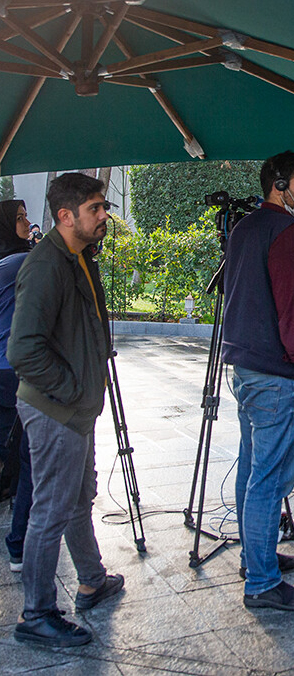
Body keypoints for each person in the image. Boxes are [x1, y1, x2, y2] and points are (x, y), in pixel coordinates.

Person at [7, 173, 124, 647]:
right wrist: (74, 389)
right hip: (56, 409)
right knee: (50, 510)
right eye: (96, 209)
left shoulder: (79, 258)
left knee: (78, 499)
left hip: (75, 408)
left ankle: (92, 579)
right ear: (65, 216)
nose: (104, 216)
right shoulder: (46, 264)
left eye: (104, 207)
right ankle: (35, 614)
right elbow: (23, 350)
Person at [221, 151, 294, 611]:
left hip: (245, 368)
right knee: (268, 478)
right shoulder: (284, 231)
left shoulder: (244, 227)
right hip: (276, 373)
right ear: (279, 185)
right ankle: (261, 581)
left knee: (251, 467)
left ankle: (255, 558)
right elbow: (291, 307)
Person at [0, 200, 33, 573]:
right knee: (29, 458)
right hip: (14, 369)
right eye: (19, 218)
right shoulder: (19, 263)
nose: (26, 223)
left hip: (5, 366)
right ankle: (20, 543)